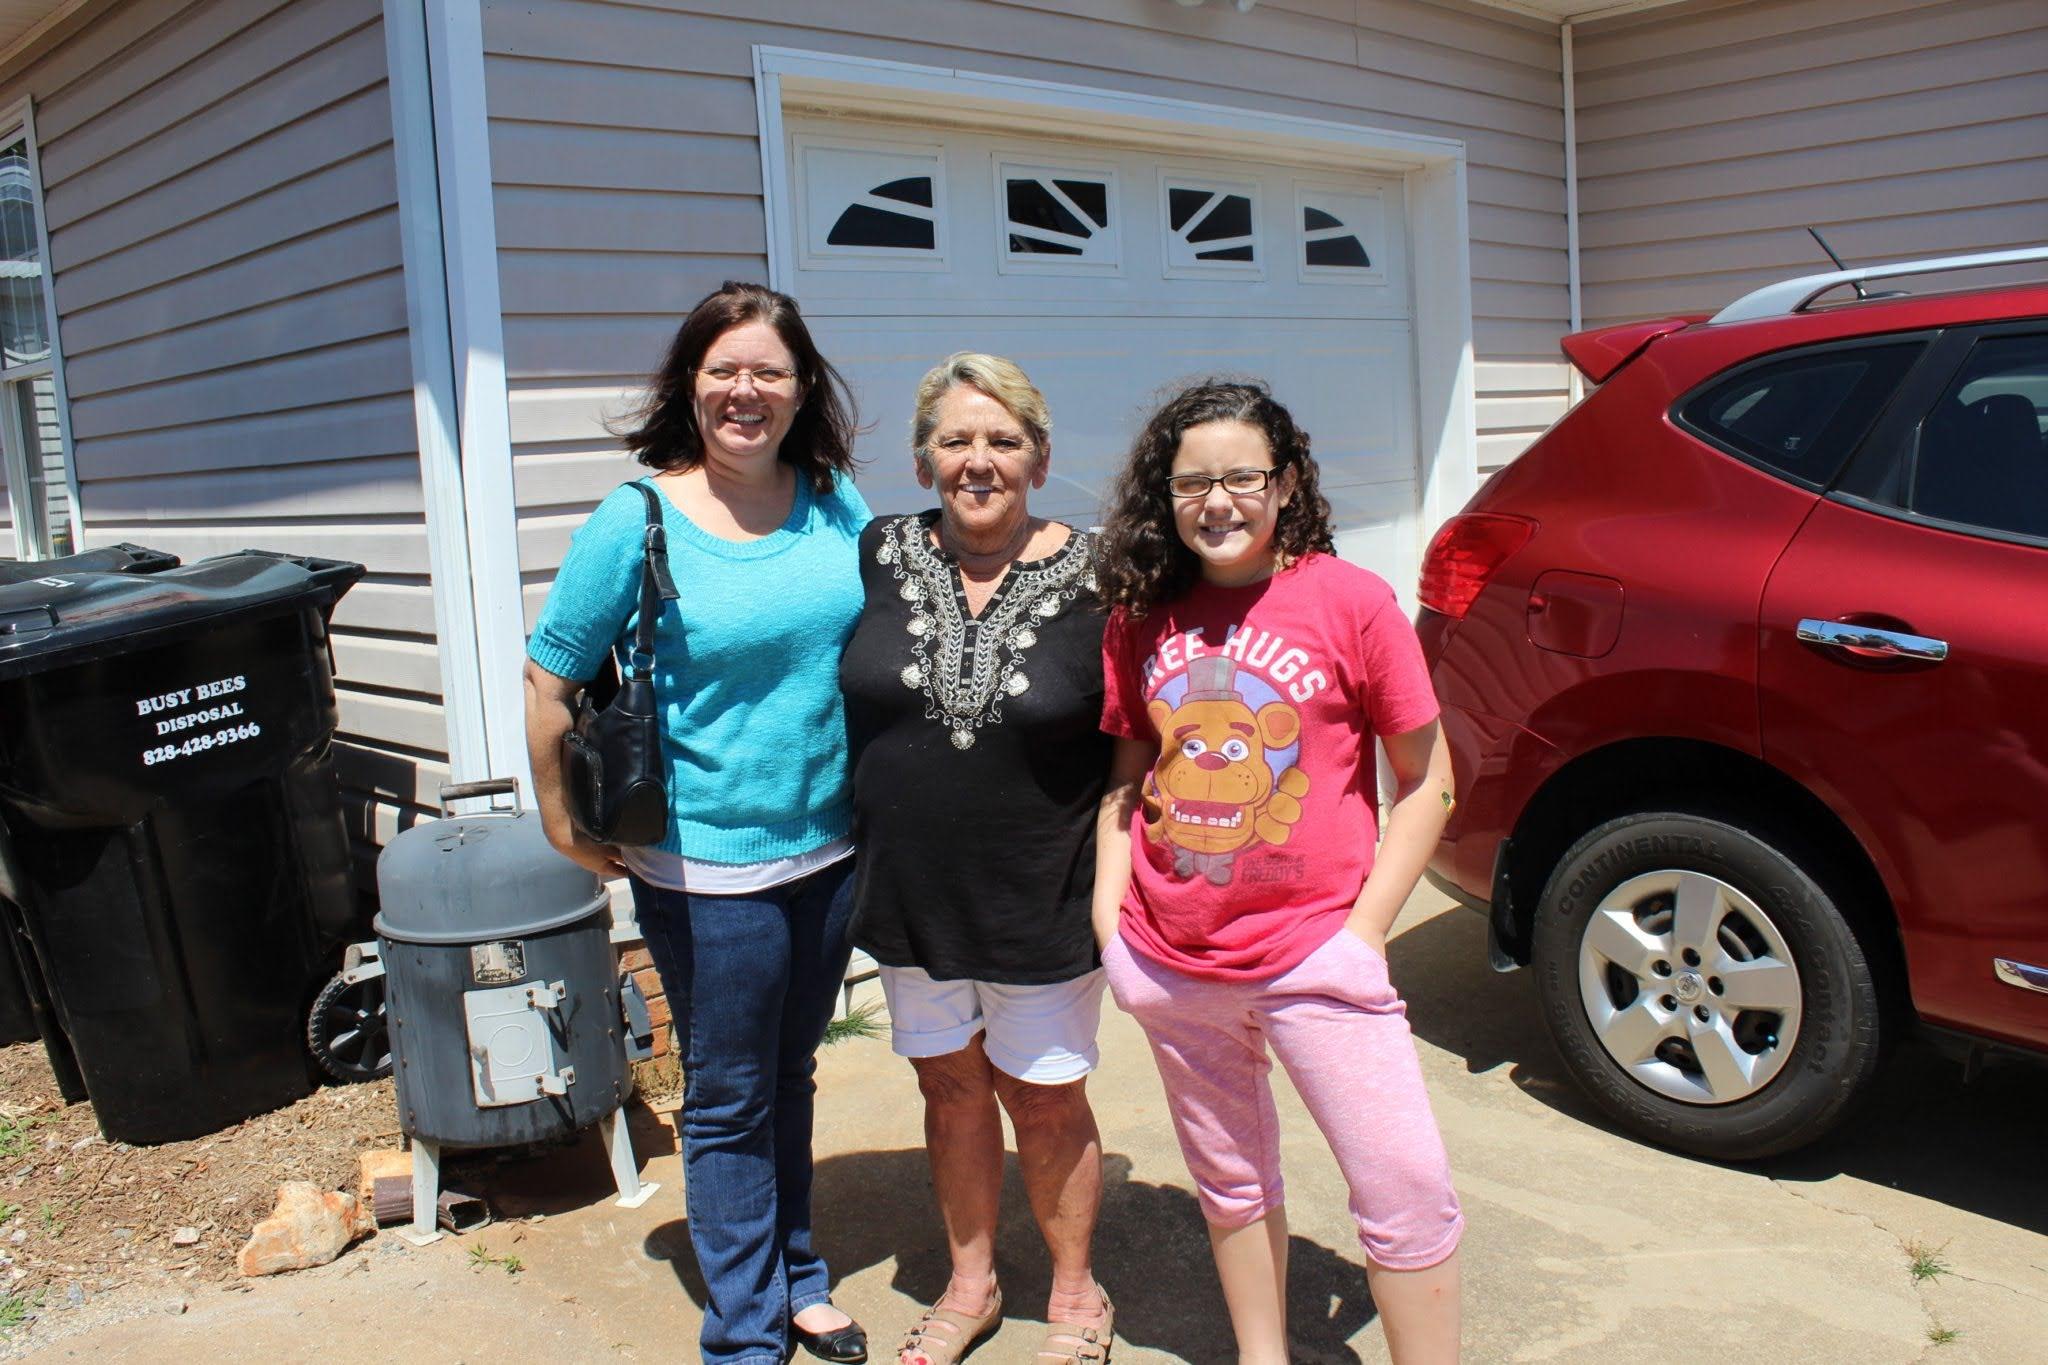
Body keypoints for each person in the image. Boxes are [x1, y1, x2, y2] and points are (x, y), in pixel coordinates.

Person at [523, 281, 873, 1365]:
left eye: (767, 369)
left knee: (792, 1073)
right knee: (726, 1096)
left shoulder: (832, 499)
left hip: (830, 843)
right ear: (688, 384)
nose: (744, 390)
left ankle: (796, 1277)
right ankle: (743, 1332)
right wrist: (557, 823)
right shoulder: (634, 519)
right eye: (722, 369)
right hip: (704, 862)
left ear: (802, 387)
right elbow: (549, 684)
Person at [1092, 380, 1464, 1364]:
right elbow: (1126, 781)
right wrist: (1111, 930)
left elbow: (1427, 781)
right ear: (1162, 497)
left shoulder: (1349, 602)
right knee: (1230, 1183)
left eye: (1241, 478)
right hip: (1174, 964)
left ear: (1285, 483)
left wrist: (1365, 932)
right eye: (1191, 483)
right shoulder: (1142, 616)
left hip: (1315, 957)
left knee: (1403, 1192)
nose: (1217, 502)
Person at [840, 354, 1115, 1365]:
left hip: (1039, 892)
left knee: (1043, 1094)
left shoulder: (1101, 572)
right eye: (955, 441)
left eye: (1001, 440)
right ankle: (970, 1285)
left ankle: (1076, 1295)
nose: (977, 460)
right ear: (922, 461)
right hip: (908, 889)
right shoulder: (875, 551)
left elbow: (1146, 730)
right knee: (947, 1090)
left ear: (1038, 459)